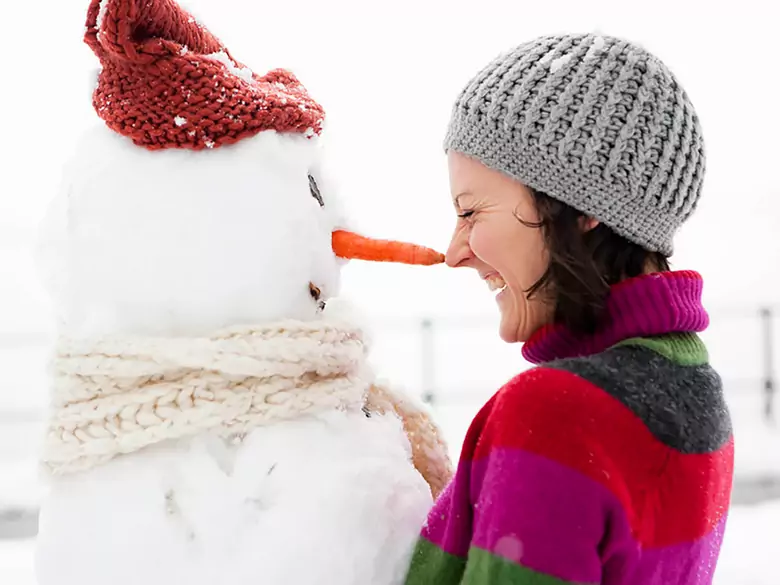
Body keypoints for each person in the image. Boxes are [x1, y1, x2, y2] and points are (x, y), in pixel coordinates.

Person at [404, 33, 734, 585]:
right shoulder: (697, 397)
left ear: (578, 210)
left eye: (469, 212)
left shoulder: (555, 416)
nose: (456, 251)